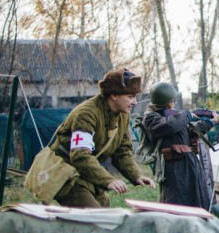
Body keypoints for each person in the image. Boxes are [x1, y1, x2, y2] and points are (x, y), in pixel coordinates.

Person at [31, 67, 155, 207]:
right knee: (94, 217)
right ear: (114, 95)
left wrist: (137, 175)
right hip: (65, 174)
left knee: (104, 211)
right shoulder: (86, 114)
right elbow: (80, 155)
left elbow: (122, 152)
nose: (135, 102)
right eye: (130, 97)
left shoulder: (122, 116)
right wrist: (108, 180)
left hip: (86, 173)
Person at [141, 81, 214, 208]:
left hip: (189, 164)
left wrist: (210, 122)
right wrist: (186, 114)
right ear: (165, 100)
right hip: (174, 167)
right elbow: (170, 125)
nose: (174, 103)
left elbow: (189, 133)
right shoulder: (151, 117)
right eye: (172, 100)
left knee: (197, 201)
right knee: (176, 203)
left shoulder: (175, 117)